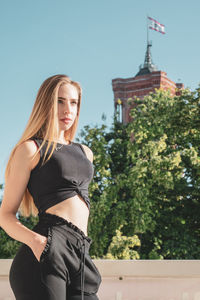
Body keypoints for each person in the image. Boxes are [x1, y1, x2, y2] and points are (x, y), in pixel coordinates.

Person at [0, 74, 102, 300]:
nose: (68, 109)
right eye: (60, 101)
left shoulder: (85, 152)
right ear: (46, 103)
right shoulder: (30, 149)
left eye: (73, 102)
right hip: (46, 251)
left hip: (80, 253)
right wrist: (38, 243)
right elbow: (5, 215)